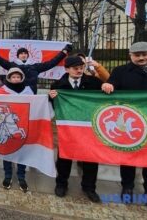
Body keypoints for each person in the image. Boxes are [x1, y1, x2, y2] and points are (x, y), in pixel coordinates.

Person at [101, 41, 147, 208]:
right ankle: (127, 188)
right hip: (128, 123)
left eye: (144, 55)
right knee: (128, 156)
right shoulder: (120, 72)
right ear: (130, 56)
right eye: (137, 55)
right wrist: (107, 85)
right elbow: (111, 85)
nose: (141, 58)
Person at [49, 56, 103, 203]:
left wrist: (107, 87)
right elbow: (55, 107)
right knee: (64, 157)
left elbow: (105, 96)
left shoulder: (93, 82)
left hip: (88, 127)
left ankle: (89, 187)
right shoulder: (57, 84)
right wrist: (51, 97)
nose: (79, 71)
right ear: (67, 69)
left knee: (90, 158)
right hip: (68, 128)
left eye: (81, 68)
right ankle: (61, 184)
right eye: (76, 68)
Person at [0, 67, 33, 193]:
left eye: (18, 77)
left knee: (22, 154)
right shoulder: (2, 90)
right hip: (8, 128)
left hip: (24, 126)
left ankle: (21, 177)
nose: (16, 79)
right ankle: (8, 176)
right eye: (13, 77)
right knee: (8, 152)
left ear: (21, 78)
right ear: (9, 78)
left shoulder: (28, 91)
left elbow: (36, 105)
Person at [0, 44, 72, 94]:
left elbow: (51, 63)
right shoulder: (12, 65)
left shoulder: (35, 66)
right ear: (17, 56)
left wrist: (63, 52)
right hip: (15, 94)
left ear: (28, 55)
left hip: (31, 95)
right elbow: (0, 60)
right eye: (21, 53)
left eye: (25, 53)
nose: (23, 55)